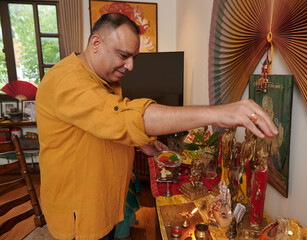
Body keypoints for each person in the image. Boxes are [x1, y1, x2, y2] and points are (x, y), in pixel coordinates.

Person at [36, 13, 278, 240]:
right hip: (81, 215)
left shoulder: (98, 80)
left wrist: (145, 142)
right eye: (123, 56)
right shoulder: (68, 81)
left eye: (133, 58)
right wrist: (218, 112)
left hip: (101, 205)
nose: (130, 66)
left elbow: (100, 121)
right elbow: (124, 117)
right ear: (96, 43)